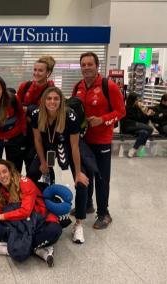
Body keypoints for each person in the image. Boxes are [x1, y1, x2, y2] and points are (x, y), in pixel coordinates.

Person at [28, 87, 89, 243]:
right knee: (32, 174)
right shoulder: (36, 114)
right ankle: (39, 212)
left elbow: (75, 147)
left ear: (61, 101)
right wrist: (42, 162)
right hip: (47, 148)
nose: (52, 102)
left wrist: (77, 173)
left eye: (56, 98)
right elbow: (37, 140)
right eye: (49, 98)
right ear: (43, 101)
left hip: (67, 147)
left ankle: (79, 224)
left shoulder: (70, 116)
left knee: (82, 183)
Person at [73, 52, 126, 229]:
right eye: (83, 64)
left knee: (101, 177)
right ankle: (87, 205)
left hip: (102, 140)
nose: (86, 67)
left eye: (90, 64)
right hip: (83, 140)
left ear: (97, 66)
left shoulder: (108, 86)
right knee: (85, 175)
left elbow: (121, 112)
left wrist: (102, 119)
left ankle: (104, 213)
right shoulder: (78, 86)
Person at [0, 159, 62, 267]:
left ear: (10, 171)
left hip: (36, 221)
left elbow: (25, 212)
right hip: (18, 225)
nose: (2, 176)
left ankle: (9, 249)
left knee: (55, 230)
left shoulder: (25, 182)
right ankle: (39, 250)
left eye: (4, 171)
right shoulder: (0, 189)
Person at [17, 56, 56, 171]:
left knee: (45, 168)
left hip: (45, 136)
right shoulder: (25, 86)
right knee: (18, 167)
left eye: (40, 70)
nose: (36, 73)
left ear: (48, 73)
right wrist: (31, 112)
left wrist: (28, 110)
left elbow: (51, 113)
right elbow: (15, 108)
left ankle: (47, 188)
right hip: (24, 134)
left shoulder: (52, 90)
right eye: (35, 70)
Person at [121, 93, 154, 158]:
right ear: (133, 100)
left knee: (144, 132)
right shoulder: (126, 108)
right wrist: (145, 115)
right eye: (137, 100)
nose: (138, 102)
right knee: (150, 129)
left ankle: (133, 149)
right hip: (129, 126)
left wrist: (148, 115)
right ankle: (142, 147)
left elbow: (143, 120)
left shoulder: (137, 108)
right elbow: (133, 119)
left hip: (136, 127)